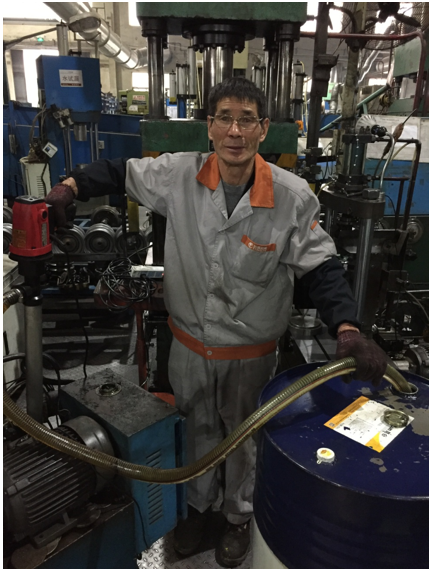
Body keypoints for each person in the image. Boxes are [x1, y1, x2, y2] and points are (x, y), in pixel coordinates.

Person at [45, 77, 387, 568]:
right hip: (188, 347)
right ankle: (198, 511)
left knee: (244, 441)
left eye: (247, 120)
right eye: (225, 118)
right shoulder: (178, 176)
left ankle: (237, 518)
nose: (235, 131)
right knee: (196, 433)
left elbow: (321, 266)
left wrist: (347, 328)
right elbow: (120, 172)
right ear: (210, 126)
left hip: (250, 356)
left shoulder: (291, 197)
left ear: (263, 129)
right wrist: (70, 186)